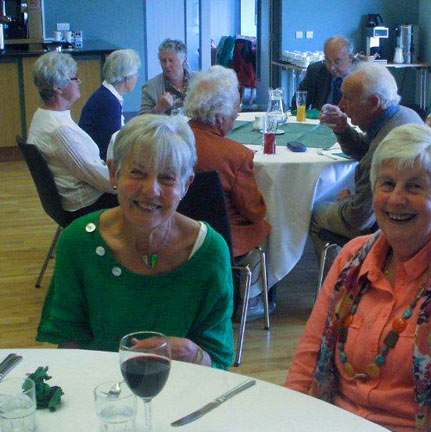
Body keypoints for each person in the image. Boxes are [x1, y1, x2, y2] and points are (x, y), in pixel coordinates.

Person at [286, 124, 431, 431]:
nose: (396, 199)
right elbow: (306, 363)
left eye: (414, 187)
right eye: (388, 183)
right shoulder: (352, 258)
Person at [36, 115, 235, 370]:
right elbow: (69, 346)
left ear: (186, 185)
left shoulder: (209, 253)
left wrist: (193, 354)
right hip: (104, 393)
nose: (151, 190)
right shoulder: (77, 243)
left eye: (167, 178)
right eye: (137, 173)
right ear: (113, 172)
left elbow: (217, 363)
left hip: (184, 392)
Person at [309, 62, 422, 259]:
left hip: (390, 224)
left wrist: (346, 200)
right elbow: (365, 150)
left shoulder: (383, 148)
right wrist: (342, 129)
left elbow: (358, 218)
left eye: (348, 99)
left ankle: (339, 283)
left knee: (314, 212)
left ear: (373, 103)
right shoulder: (404, 114)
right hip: (416, 217)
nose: (341, 105)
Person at [185, 65, 271, 320]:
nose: (236, 115)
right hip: (222, 238)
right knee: (267, 226)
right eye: (235, 109)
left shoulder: (171, 139)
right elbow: (253, 211)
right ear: (220, 116)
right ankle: (252, 300)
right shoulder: (236, 155)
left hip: (175, 231)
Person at [27, 51, 117, 216]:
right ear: (58, 87)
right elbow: (95, 175)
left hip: (81, 198)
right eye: (74, 78)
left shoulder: (43, 115)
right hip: (86, 204)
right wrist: (128, 185)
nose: (79, 81)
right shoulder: (59, 130)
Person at [79, 49, 141, 160]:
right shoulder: (108, 102)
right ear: (127, 78)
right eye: (136, 74)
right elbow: (114, 145)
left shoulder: (106, 95)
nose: (138, 77)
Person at [291, 35, 355, 110]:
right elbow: (298, 103)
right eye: (327, 61)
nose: (332, 67)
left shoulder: (363, 76)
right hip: (321, 120)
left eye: (337, 61)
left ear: (350, 58)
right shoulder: (316, 71)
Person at [139, 39, 197, 115]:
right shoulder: (151, 87)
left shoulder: (199, 81)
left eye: (171, 60)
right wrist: (159, 108)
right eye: (163, 61)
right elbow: (142, 122)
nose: (167, 65)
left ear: (184, 61)